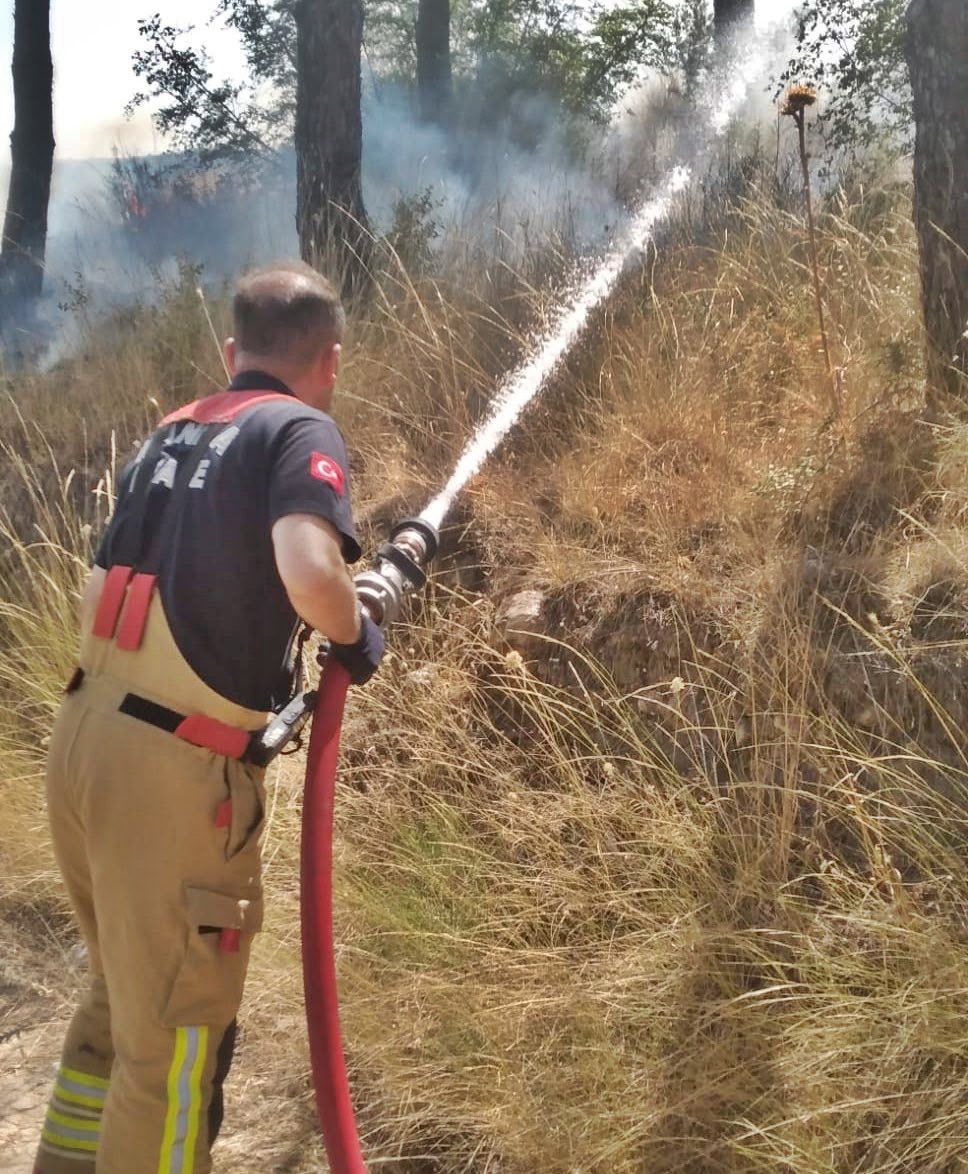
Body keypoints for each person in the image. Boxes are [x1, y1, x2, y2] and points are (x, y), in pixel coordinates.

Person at [34, 262, 384, 1174]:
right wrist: (354, 630)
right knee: (174, 1049)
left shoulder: (174, 428)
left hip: (83, 742)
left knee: (117, 1008)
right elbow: (310, 571)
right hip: (170, 780)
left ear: (232, 353)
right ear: (330, 360)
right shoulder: (300, 427)